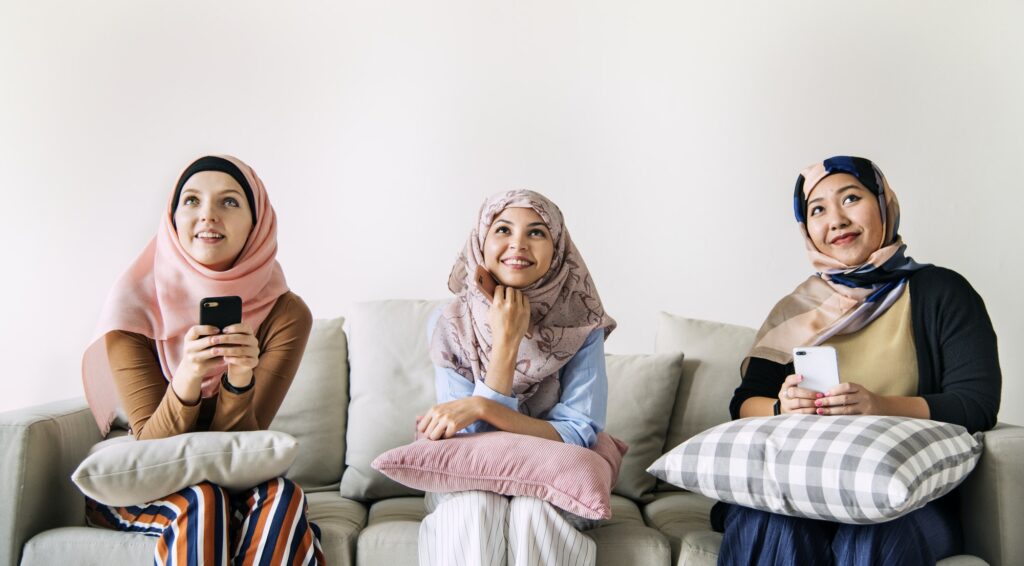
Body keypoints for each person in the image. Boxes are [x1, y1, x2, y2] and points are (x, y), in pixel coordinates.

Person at [716, 156, 1001, 566]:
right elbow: (743, 405)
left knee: (874, 535)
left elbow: (976, 403)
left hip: (908, 495)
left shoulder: (942, 291)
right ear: (807, 228)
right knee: (771, 525)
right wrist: (782, 408)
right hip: (799, 487)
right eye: (817, 209)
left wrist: (878, 407)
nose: (836, 219)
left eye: (851, 198)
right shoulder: (794, 311)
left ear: (884, 204)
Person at [81, 155, 324, 565]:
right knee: (203, 500)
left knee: (284, 496)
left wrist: (239, 380)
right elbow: (149, 446)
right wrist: (188, 378)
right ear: (173, 218)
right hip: (142, 477)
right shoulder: (132, 307)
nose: (207, 215)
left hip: (234, 474)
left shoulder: (286, 313)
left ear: (257, 222)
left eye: (229, 202)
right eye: (191, 201)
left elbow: (245, 444)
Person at [418, 189, 616, 566]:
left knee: (534, 509)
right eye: (503, 229)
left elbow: (577, 432)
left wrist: (481, 405)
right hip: (469, 477)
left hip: (557, 475)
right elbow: (469, 442)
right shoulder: (450, 325)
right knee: (473, 506)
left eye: (537, 232)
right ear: (481, 240)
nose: (518, 244)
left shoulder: (582, 324)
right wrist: (506, 344)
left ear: (558, 247)